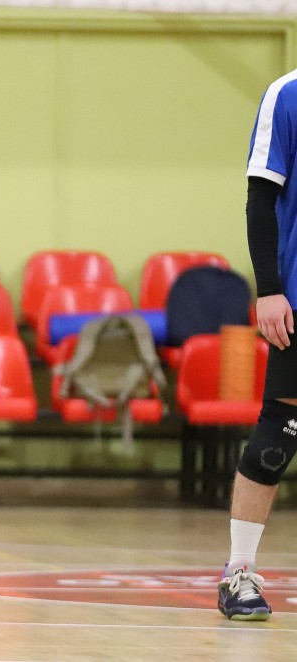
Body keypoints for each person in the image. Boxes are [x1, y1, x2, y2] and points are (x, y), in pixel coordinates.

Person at [217, 68, 297, 621]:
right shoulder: (286, 95)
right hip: (295, 296)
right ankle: (238, 573)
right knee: (279, 433)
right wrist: (269, 289)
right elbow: (260, 197)